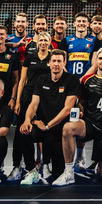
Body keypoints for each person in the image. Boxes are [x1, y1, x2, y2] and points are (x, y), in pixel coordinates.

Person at [59, 47, 102, 183]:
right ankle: (69, 170)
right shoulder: (87, 80)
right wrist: (80, 110)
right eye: (100, 58)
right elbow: (80, 101)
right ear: (96, 61)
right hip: (90, 123)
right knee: (68, 128)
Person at [19, 49, 79, 185]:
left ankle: (62, 170)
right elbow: (34, 104)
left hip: (60, 130)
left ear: (64, 63)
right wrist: (27, 120)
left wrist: (47, 126)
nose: (56, 64)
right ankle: (32, 171)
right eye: (54, 61)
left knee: (58, 173)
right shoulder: (41, 80)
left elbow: (67, 109)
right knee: (24, 133)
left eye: (59, 61)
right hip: (42, 126)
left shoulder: (72, 80)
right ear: (49, 63)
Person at [10, 30, 53, 182]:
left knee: (46, 130)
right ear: (37, 42)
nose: (42, 43)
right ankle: (18, 166)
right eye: (40, 40)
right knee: (21, 131)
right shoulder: (30, 57)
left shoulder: (53, 58)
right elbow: (22, 80)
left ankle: (45, 164)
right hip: (28, 94)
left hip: (46, 95)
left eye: (45, 40)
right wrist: (18, 100)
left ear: (49, 43)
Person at [66, 12, 96, 79]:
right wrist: (67, 78)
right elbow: (62, 63)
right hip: (69, 79)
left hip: (87, 80)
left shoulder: (95, 41)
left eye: (84, 21)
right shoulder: (66, 40)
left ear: (88, 24)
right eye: (79, 21)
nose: (81, 23)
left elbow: (95, 65)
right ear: (74, 24)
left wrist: (83, 79)